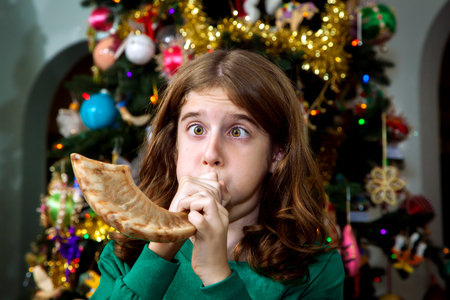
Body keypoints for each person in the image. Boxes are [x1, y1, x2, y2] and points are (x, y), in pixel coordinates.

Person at [91, 49, 344, 299]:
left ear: (277, 153)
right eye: (197, 129)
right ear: (174, 146)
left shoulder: (316, 269)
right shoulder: (126, 252)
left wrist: (217, 276)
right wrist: (161, 248)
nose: (211, 154)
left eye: (237, 132)